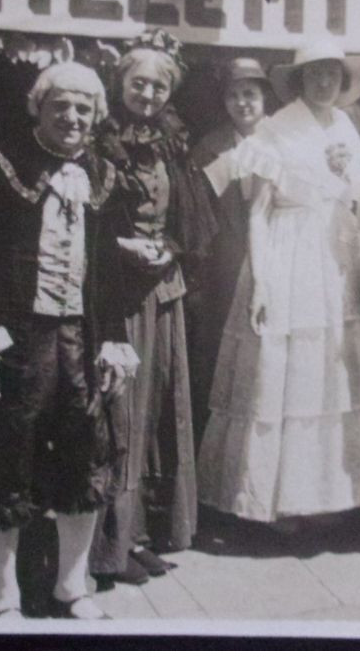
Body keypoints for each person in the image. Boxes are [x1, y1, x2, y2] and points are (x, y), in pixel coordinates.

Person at [0, 61, 140, 620]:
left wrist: (114, 339)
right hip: (13, 339)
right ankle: (5, 597)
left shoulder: (103, 176)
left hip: (81, 336)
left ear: (97, 116)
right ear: (38, 108)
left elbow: (109, 271)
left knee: (86, 457)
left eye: (84, 108)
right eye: (61, 106)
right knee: (4, 460)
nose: (72, 118)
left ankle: (71, 587)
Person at [196, 41, 360, 528]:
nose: (325, 83)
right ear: (299, 81)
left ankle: (320, 495)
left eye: (332, 74)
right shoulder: (274, 130)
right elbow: (258, 213)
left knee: (328, 373)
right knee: (284, 373)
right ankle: (276, 499)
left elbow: (356, 197)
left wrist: (349, 174)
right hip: (289, 253)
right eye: (314, 74)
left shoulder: (345, 125)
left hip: (334, 254)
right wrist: (260, 281)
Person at [89, 31, 218, 588]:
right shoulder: (98, 139)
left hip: (164, 288)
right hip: (115, 293)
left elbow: (187, 217)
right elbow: (86, 223)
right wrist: (122, 247)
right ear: (120, 84)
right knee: (124, 414)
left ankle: (145, 534)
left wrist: (170, 247)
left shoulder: (170, 141)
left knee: (162, 409)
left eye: (158, 85)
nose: (147, 93)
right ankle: (110, 545)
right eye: (138, 82)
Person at [186, 57, 277, 442]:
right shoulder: (210, 149)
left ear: (264, 98)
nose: (243, 103)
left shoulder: (284, 138)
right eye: (234, 96)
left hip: (281, 258)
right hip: (226, 265)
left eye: (250, 94)